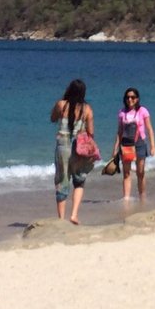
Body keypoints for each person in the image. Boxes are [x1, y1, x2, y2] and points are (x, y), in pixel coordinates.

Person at [50, 78, 96, 224]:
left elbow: (52, 118)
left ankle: (61, 219)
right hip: (79, 149)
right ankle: (74, 215)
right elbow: (91, 132)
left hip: (62, 148)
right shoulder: (87, 109)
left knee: (62, 181)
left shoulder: (61, 105)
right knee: (79, 181)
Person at [113, 87, 155, 201]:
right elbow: (119, 132)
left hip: (140, 143)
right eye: (127, 97)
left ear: (137, 99)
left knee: (140, 172)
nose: (130, 99)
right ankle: (126, 198)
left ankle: (142, 196)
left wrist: (153, 146)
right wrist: (115, 148)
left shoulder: (143, 111)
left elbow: (149, 129)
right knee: (126, 173)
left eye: (132, 97)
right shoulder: (122, 113)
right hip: (126, 144)